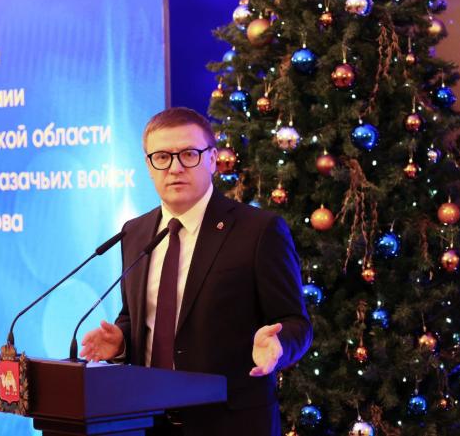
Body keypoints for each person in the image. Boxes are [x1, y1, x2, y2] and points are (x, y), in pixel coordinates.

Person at [80, 107, 312, 435]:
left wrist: (279, 346)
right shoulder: (135, 232)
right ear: (148, 166)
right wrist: (120, 343)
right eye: (162, 157)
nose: (175, 168)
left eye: (189, 154)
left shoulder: (259, 231)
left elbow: (296, 322)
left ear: (213, 159)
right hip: (147, 421)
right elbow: (136, 317)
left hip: (230, 423)